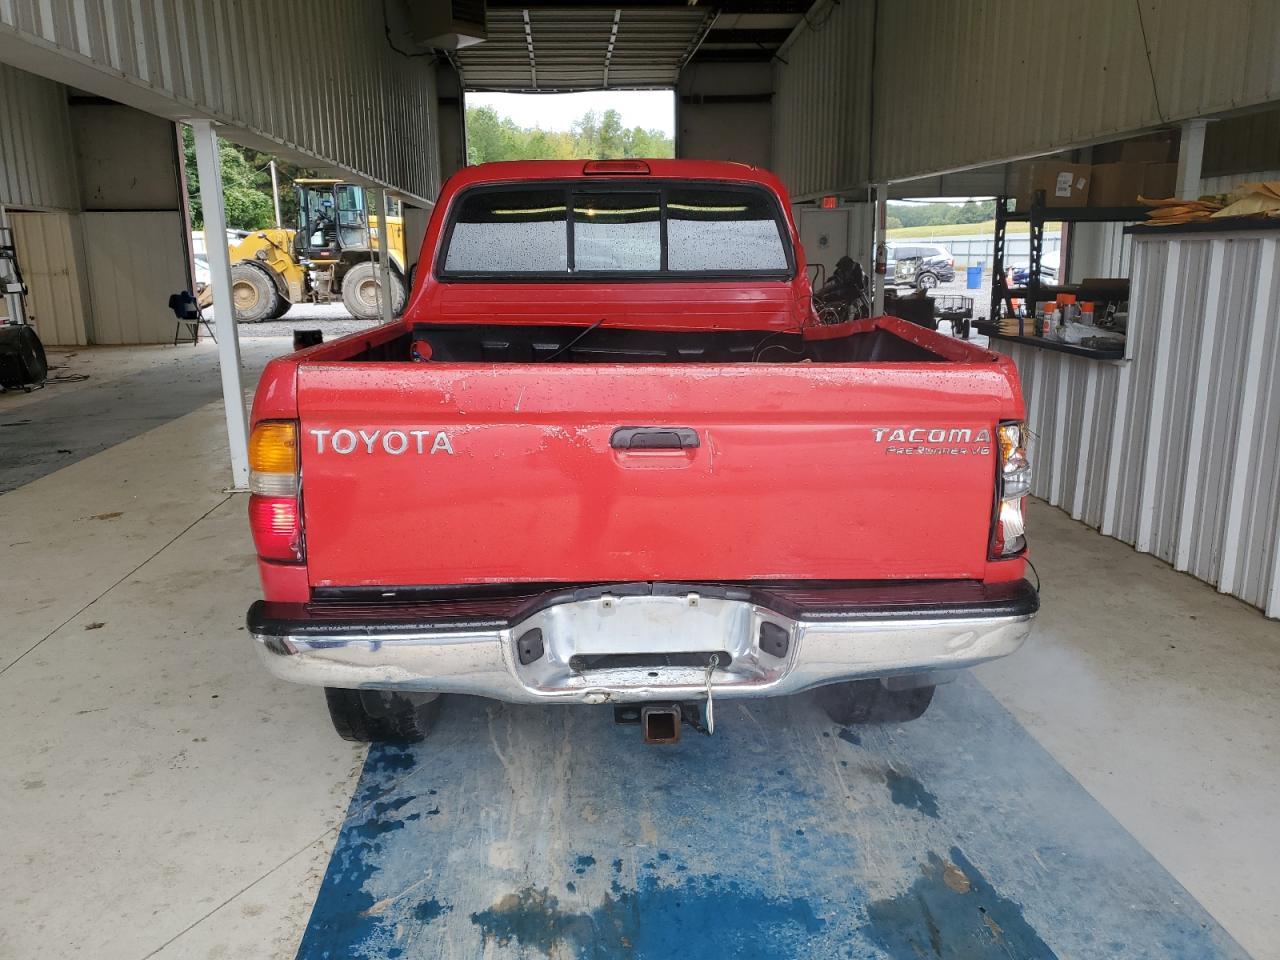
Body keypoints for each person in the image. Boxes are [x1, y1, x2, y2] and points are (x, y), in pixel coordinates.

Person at [814, 256, 868, 322]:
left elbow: (859, 284)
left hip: (847, 290)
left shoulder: (854, 270)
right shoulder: (842, 272)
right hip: (844, 289)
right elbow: (835, 284)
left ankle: (838, 315)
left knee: (835, 294)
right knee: (830, 294)